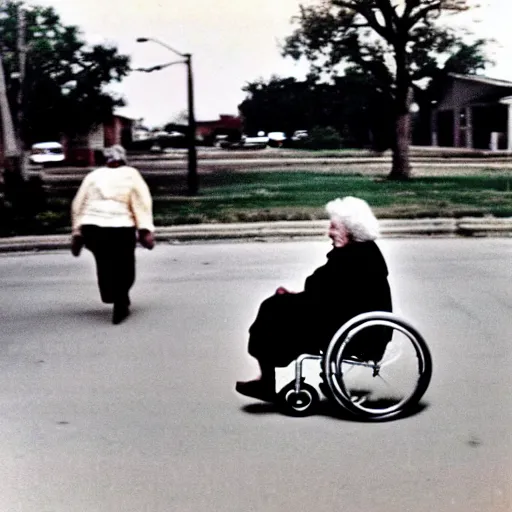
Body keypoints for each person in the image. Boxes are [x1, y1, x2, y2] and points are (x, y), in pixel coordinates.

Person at [236, 196, 392, 401]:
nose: (329, 232)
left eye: (335, 227)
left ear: (351, 231)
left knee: (272, 310)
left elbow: (328, 298)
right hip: (345, 321)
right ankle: (269, 379)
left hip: (356, 333)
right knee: (275, 307)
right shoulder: (358, 254)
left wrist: (294, 299)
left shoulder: (354, 260)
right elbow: (329, 296)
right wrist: (296, 297)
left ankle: (268, 382)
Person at [70, 144, 155, 324]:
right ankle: (120, 300)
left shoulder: (93, 176)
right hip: (121, 227)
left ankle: (113, 296)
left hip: (93, 227)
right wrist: (145, 229)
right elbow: (140, 202)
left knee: (105, 263)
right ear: (123, 159)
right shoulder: (131, 174)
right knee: (124, 265)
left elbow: (78, 203)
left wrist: (77, 230)